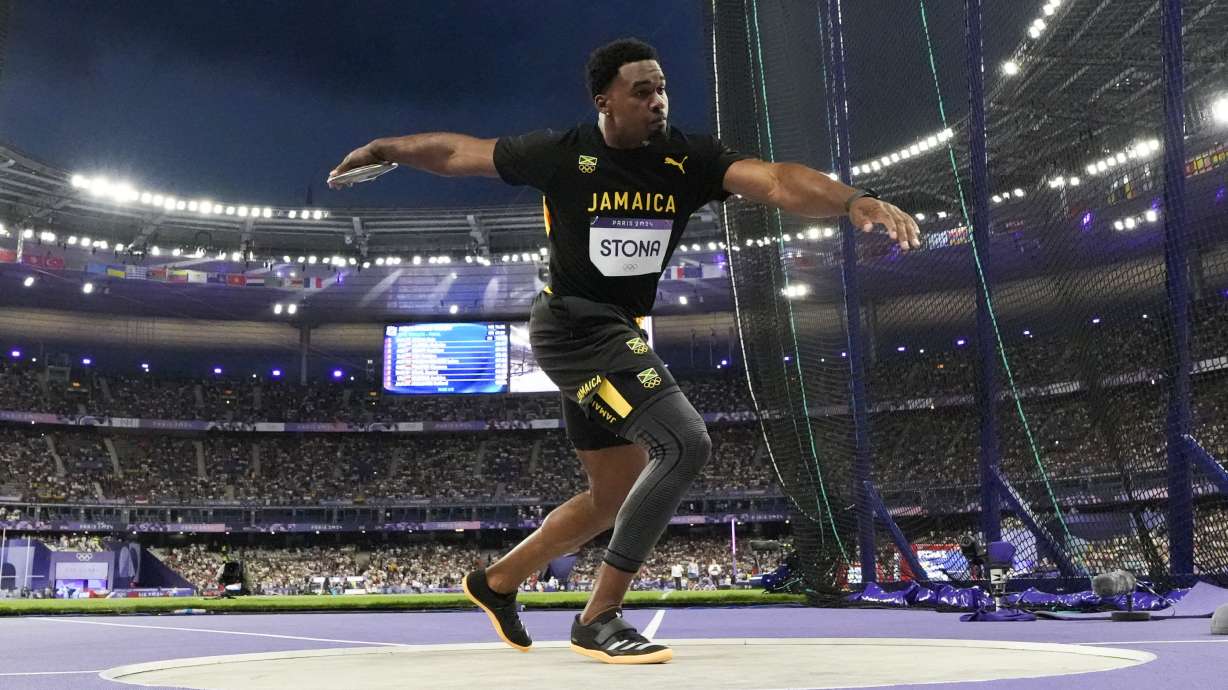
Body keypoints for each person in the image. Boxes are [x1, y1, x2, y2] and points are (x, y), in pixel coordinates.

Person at [329, 38, 920, 664]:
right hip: (575, 328)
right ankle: (600, 615)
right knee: (685, 443)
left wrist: (854, 200)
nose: (658, 100)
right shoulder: (562, 155)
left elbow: (775, 181)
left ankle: (496, 581)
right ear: (603, 100)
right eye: (642, 90)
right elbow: (458, 152)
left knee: (612, 495)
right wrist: (384, 148)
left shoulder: (687, 159)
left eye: (662, 88)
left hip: (619, 330)